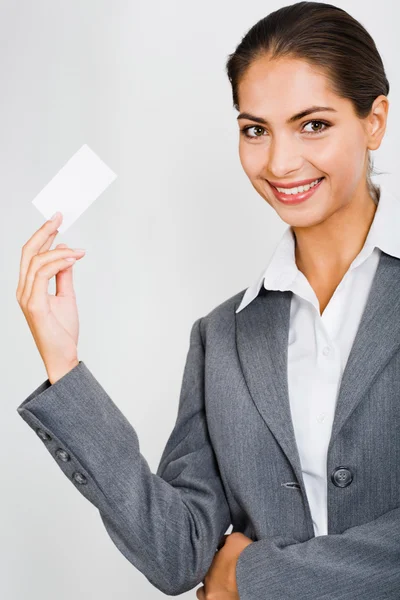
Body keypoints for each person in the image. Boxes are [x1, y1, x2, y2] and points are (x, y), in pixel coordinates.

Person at [16, 1, 400, 598]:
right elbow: (177, 553)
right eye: (255, 130)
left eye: (313, 124)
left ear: (374, 119)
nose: (279, 161)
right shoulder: (222, 337)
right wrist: (63, 363)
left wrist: (252, 577)